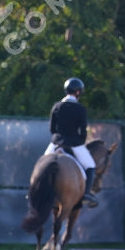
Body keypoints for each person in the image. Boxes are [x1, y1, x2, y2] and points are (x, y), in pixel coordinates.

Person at [44, 77, 97, 207]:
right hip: (74, 143)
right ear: (78, 92)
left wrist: (58, 140)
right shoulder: (80, 109)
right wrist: (79, 141)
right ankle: (86, 193)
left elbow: (52, 129)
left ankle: (34, 189)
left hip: (56, 143)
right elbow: (83, 132)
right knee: (91, 166)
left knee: (42, 164)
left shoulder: (56, 106)